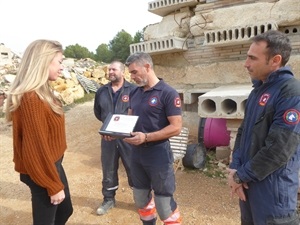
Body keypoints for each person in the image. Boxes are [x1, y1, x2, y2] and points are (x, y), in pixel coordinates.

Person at [227, 30, 300, 225]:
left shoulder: (291, 92)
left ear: (275, 60)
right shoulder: (257, 91)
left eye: (252, 58)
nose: (246, 63)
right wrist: (235, 170)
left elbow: (279, 149)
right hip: (249, 187)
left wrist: (241, 175)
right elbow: (243, 134)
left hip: (274, 195)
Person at [5, 39, 73, 225]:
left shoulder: (43, 91)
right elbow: (35, 148)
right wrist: (51, 185)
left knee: (65, 210)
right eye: (59, 62)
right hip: (42, 169)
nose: (62, 67)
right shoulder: (31, 98)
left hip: (52, 164)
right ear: (44, 61)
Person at [124, 52, 183, 225]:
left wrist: (146, 137)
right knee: (141, 199)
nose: (132, 76)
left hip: (158, 155)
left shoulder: (168, 93)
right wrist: (115, 133)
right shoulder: (134, 93)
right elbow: (129, 121)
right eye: (130, 73)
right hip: (136, 155)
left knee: (164, 205)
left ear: (147, 67)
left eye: (134, 72)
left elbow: (176, 127)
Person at [93, 61, 136, 215]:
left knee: (134, 167)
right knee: (108, 168)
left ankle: (141, 199)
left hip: (128, 139)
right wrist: (108, 128)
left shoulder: (134, 90)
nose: (110, 72)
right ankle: (108, 199)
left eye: (114, 69)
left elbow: (138, 113)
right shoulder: (101, 91)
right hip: (108, 139)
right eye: (109, 69)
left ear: (122, 72)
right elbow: (98, 113)